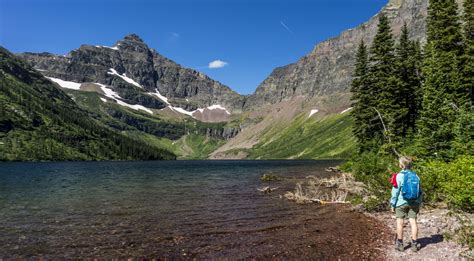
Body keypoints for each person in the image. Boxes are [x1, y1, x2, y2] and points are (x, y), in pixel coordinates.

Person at [390, 156, 423, 252]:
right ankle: (414, 244)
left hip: (401, 203)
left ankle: (400, 244)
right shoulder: (416, 176)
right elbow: (420, 192)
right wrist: (418, 203)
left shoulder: (398, 176)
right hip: (414, 203)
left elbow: (395, 192)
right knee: (413, 222)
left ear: (402, 165)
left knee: (400, 222)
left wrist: (392, 204)